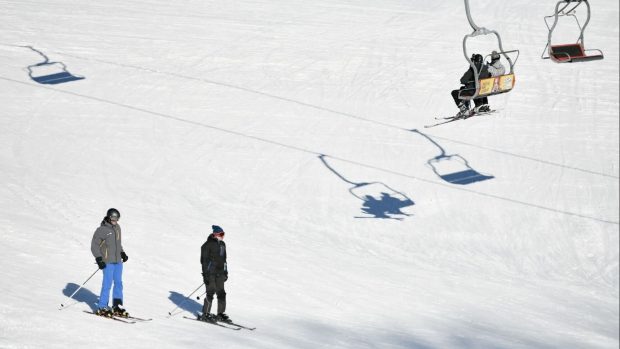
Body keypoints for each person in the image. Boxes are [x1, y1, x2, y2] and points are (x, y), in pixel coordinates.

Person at [91, 208, 129, 317]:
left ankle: (117, 305)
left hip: (118, 261)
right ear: (108, 217)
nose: (115, 220)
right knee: (107, 284)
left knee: (118, 283)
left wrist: (122, 253)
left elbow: (117, 243)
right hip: (107, 261)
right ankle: (102, 306)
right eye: (113, 218)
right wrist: (99, 258)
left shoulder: (118, 228)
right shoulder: (101, 230)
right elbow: (94, 246)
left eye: (117, 218)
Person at [200, 225, 230, 323]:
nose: (222, 236)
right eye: (221, 234)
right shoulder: (207, 245)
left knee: (221, 293)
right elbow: (204, 261)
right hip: (210, 273)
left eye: (223, 234)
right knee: (210, 292)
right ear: (215, 234)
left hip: (220, 273)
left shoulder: (222, 244)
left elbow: (224, 260)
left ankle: (220, 314)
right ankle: (205, 314)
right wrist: (205, 275)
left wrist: (225, 272)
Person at [451, 53, 491, 118]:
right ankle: (479, 105)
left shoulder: (473, 69)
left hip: (474, 91)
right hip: (483, 90)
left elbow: (463, 80)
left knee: (454, 92)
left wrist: (470, 69)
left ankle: (464, 110)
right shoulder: (486, 68)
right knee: (468, 88)